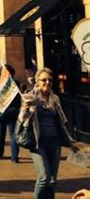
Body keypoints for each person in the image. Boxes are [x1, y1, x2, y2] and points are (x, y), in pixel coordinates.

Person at [19, 68, 79, 199]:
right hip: (38, 143)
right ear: (37, 82)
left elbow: (61, 122)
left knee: (52, 181)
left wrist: (69, 142)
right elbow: (22, 120)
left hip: (54, 143)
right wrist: (25, 109)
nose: (47, 82)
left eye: (50, 80)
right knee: (44, 177)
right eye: (44, 80)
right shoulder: (30, 97)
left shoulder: (55, 98)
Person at [0, 64, 20, 162]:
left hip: (1, 111)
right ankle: (14, 157)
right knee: (13, 135)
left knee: (1, 133)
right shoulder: (16, 83)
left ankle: (0, 151)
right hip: (13, 111)